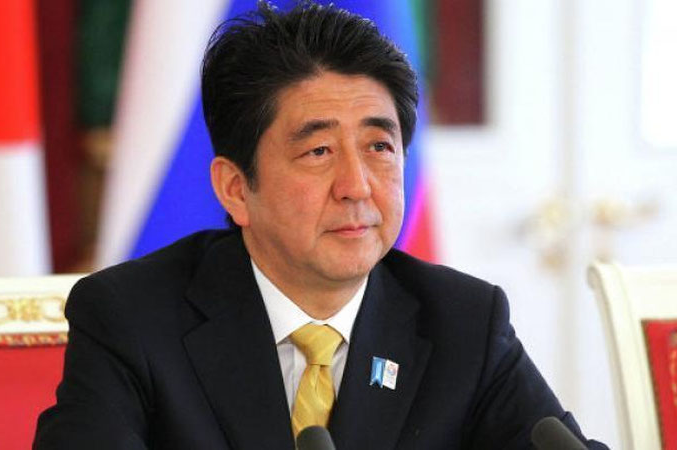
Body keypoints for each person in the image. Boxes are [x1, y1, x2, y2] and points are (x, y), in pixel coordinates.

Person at [34, 2, 607, 449]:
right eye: (318, 152)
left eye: (379, 147)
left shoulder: (463, 322)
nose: (357, 185)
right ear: (235, 188)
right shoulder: (131, 318)